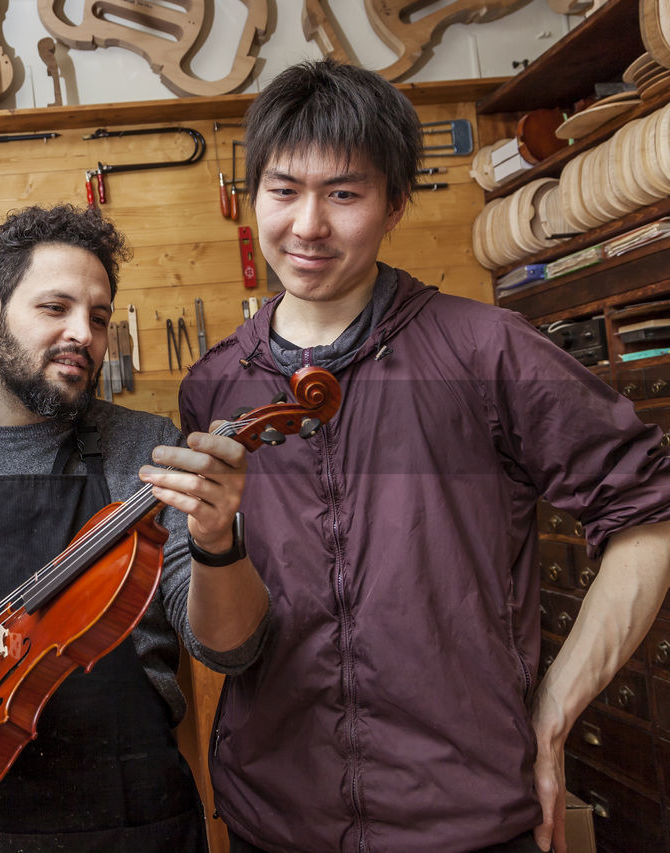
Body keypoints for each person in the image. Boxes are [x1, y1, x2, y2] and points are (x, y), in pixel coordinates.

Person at [178, 59, 670, 853]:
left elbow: (649, 513)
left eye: (344, 193)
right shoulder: (213, 387)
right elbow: (229, 633)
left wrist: (553, 716)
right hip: (276, 817)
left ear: (395, 204)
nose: (307, 225)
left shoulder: (488, 350)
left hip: (467, 817)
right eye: (282, 190)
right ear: (250, 197)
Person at [0, 203, 269, 851]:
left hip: (130, 826)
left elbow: (230, 649)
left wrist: (218, 541)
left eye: (99, 316)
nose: (82, 333)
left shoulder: (148, 451)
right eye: (54, 308)